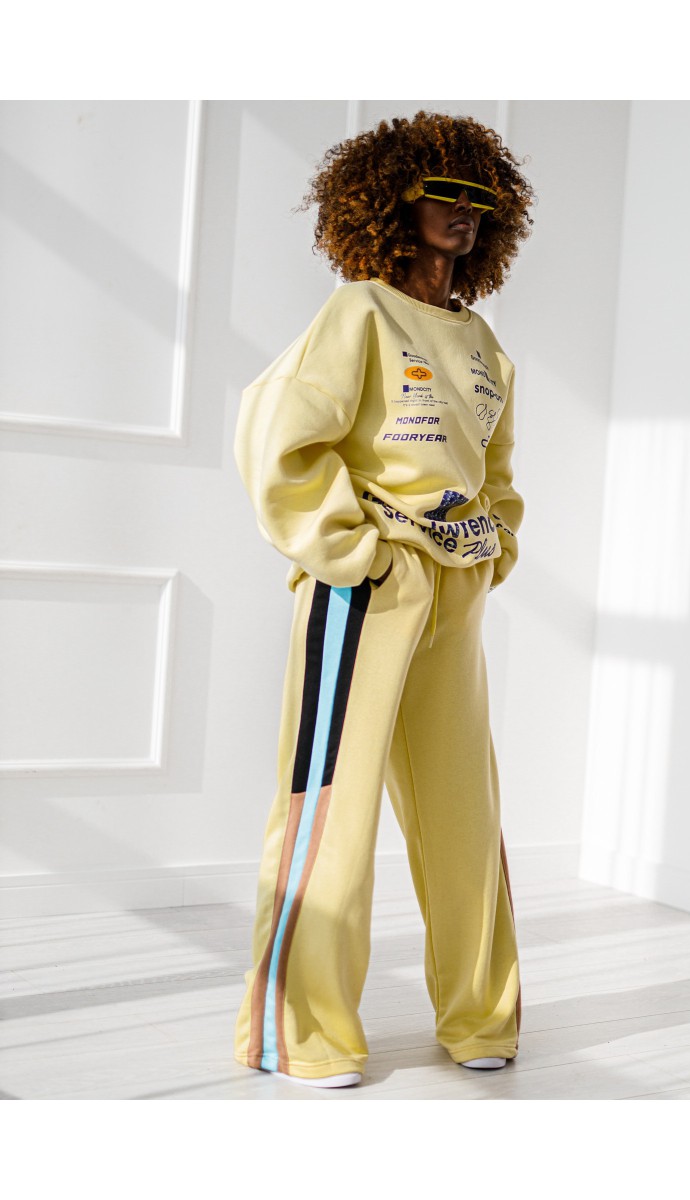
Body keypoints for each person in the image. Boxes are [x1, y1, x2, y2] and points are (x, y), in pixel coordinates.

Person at [232, 110, 536, 1089]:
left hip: (457, 591)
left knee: (463, 809)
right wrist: (350, 551)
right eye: (443, 192)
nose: (464, 211)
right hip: (369, 587)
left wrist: (492, 551)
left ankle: (481, 1017)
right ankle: (304, 1032)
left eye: (479, 197)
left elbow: (494, 470)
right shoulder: (358, 312)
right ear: (390, 204)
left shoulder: (481, 342)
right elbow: (279, 435)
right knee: (333, 807)